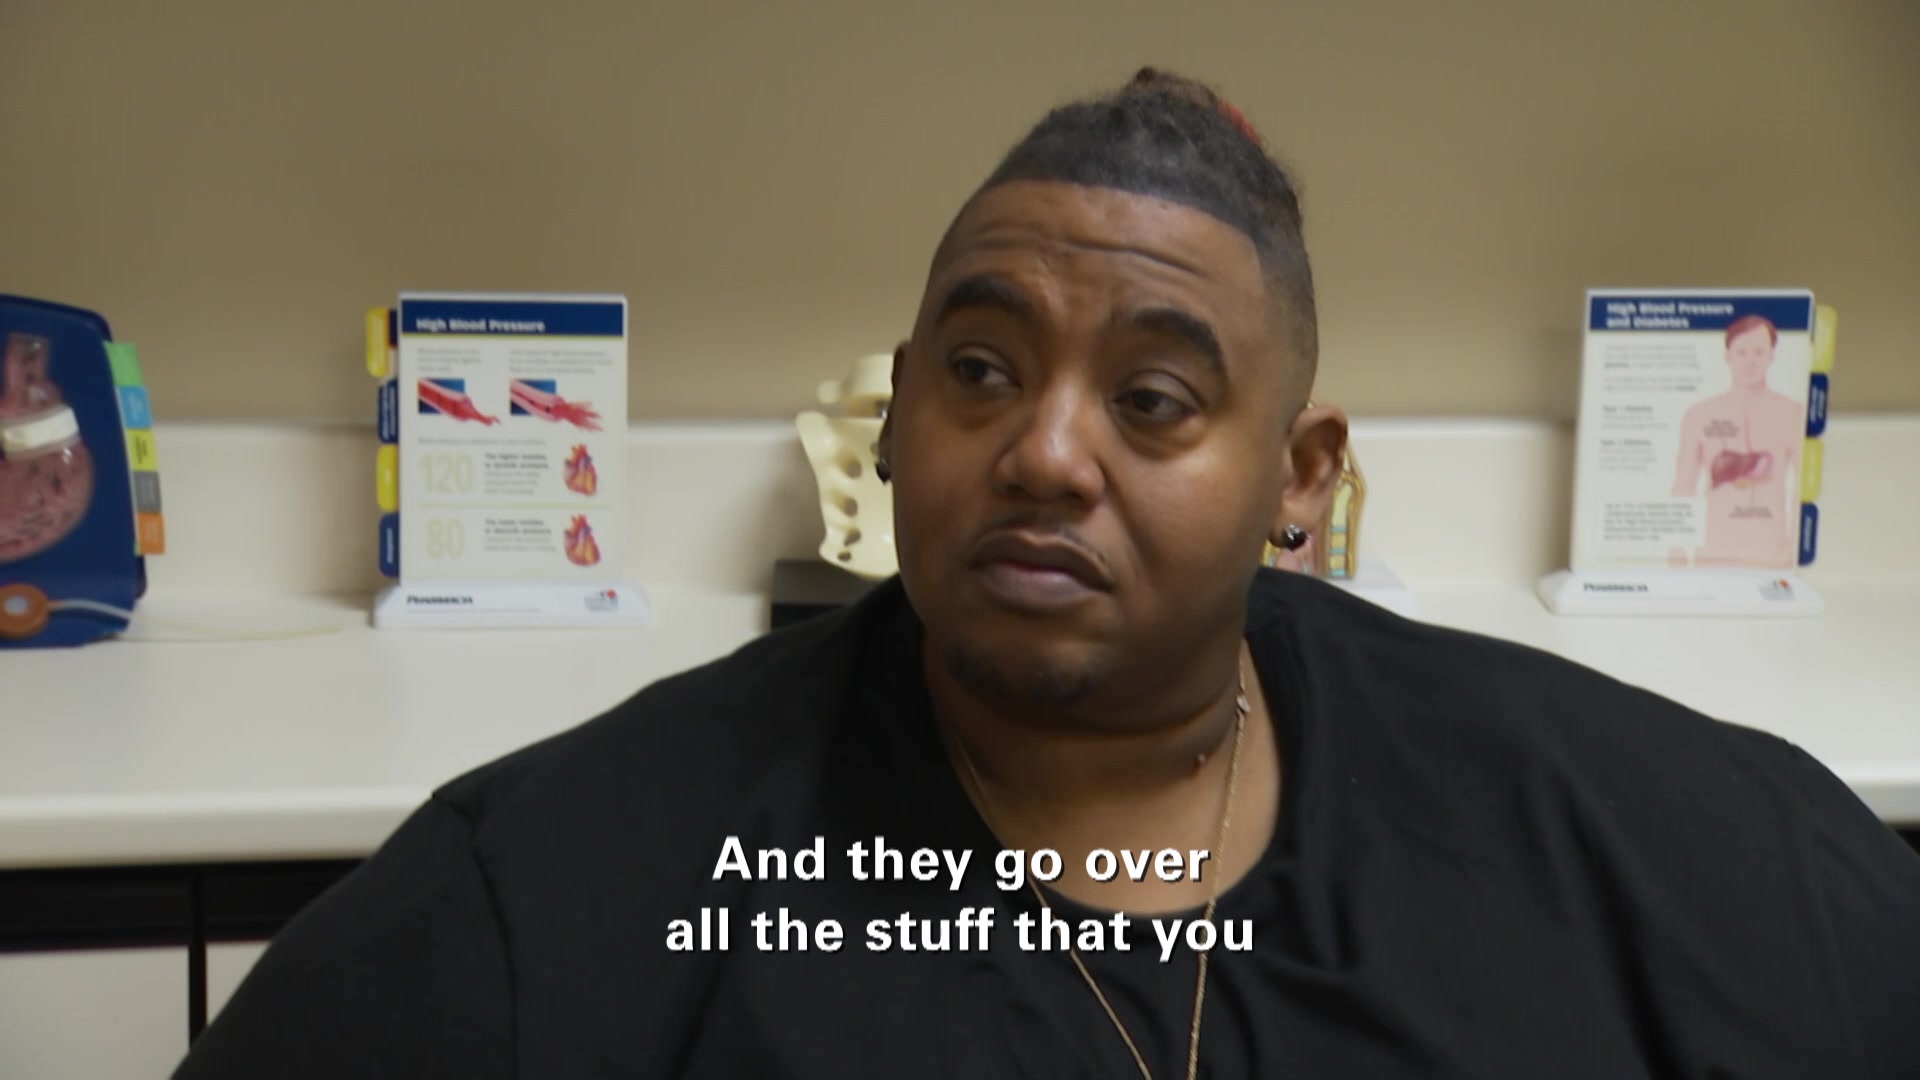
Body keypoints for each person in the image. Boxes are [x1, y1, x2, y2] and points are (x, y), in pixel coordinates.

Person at [174, 69, 1920, 1079]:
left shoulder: (1678, 856)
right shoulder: (548, 910)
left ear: (1300, 478)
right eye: (980, 370)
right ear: (893, 417)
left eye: (1153, 400)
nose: (1046, 453)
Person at [1670, 314, 1806, 568]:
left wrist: (1794, 547)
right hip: (1714, 556)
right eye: (1741, 352)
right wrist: (1675, 549)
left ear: (1771, 356)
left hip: (1773, 557)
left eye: (1758, 352)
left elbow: (1803, 488)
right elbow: (1683, 486)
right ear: (1727, 356)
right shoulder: (1699, 415)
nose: (1750, 361)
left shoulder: (1792, 413)